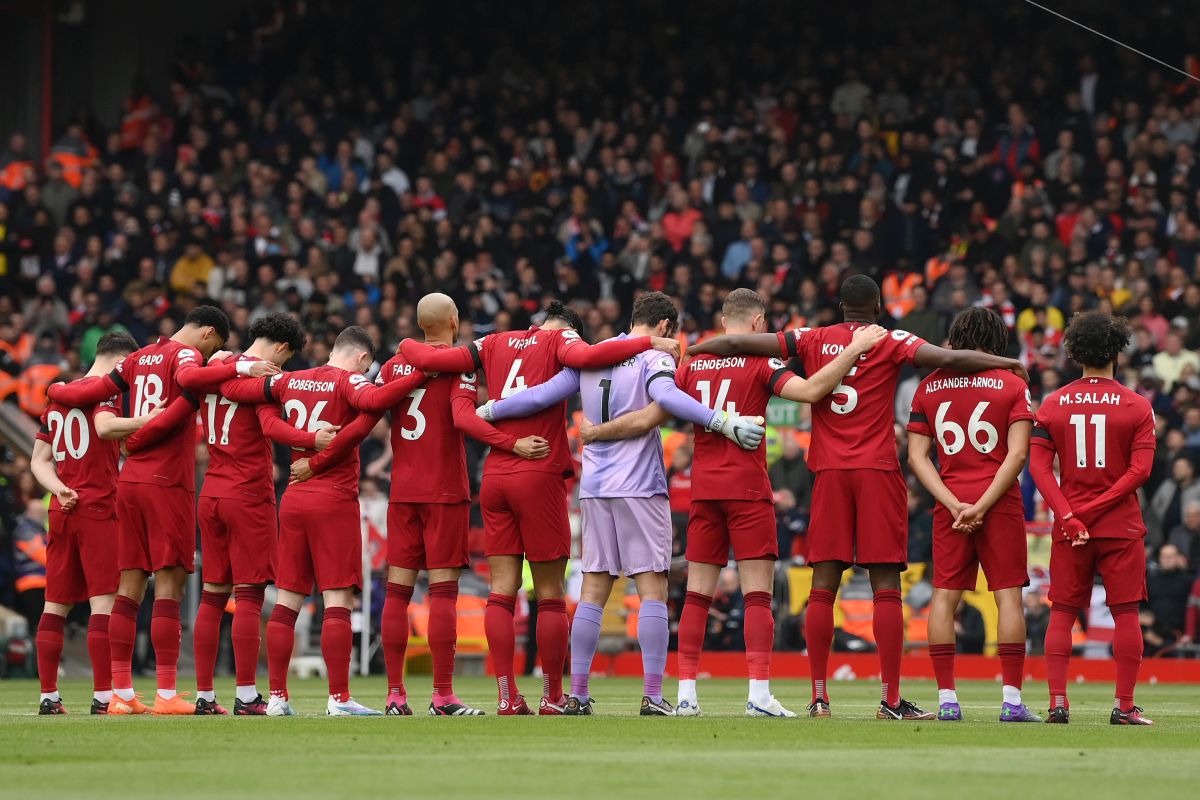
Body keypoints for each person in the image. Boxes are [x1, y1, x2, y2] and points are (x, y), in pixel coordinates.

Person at [687, 275, 1027, 720]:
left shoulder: (811, 337)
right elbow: (948, 357)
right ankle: (889, 700)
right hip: (877, 471)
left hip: (828, 471)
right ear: (879, 307)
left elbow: (734, 345)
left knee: (822, 586)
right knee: (885, 584)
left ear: (840, 305)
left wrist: (690, 351)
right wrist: (1006, 362)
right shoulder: (890, 339)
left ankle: (819, 696)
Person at [476, 291, 767, 715]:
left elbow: (542, 394)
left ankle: (576, 694)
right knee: (652, 587)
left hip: (594, 487)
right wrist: (722, 420)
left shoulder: (592, 353)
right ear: (666, 328)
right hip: (640, 484)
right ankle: (652, 695)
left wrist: (493, 408)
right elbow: (665, 399)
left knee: (594, 588)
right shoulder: (655, 356)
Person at [596, 288, 885, 716]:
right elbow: (810, 391)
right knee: (757, 597)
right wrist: (856, 349)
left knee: (696, 596)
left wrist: (596, 434)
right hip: (748, 489)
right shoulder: (760, 362)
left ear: (722, 318)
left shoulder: (694, 365)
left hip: (704, 490)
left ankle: (687, 697)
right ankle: (758, 695)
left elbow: (648, 417)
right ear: (756, 323)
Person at [399, 299, 680, 715]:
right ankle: (552, 696)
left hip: (494, 477)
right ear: (569, 328)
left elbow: (427, 355)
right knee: (549, 595)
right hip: (540, 469)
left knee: (501, 593)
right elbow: (587, 356)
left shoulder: (492, 341)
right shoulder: (562, 339)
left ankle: (507, 697)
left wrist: (406, 343)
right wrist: (649, 342)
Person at [293, 293, 548, 716]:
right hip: (444, 492)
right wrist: (512, 443)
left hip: (402, 493)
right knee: (442, 593)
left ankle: (395, 696)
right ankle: (443, 696)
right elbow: (464, 419)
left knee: (398, 592)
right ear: (453, 320)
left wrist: (316, 460)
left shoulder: (393, 367)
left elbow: (363, 423)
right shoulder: (460, 367)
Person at [46, 306, 280, 715]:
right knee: (170, 588)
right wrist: (238, 370)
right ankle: (168, 694)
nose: (212, 355)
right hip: (167, 484)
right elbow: (191, 379)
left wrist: (55, 391)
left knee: (128, 590)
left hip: (129, 482)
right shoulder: (184, 355)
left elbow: (90, 394)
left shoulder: (137, 358)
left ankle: (119, 694)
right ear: (208, 333)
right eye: (215, 347)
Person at [124, 313, 317, 715]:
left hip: (211, 492)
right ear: (281, 348)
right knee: (248, 597)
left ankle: (205, 695)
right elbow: (272, 423)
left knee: (212, 597)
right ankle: (247, 695)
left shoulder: (213, 368)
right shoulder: (260, 379)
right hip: (248, 494)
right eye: (286, 358)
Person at [259, 325, 428, 717]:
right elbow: (378, 399)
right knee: (337, 599)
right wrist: (420, 372)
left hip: (294, 499)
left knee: (287, 600)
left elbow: (266, 420)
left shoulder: (291, 379)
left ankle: (277, 698)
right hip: (333, 500)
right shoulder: (351, 381)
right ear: (362, 359)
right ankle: (338, 699)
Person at [906, 307, 1041, 722]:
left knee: (945, 599)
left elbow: (916, 457)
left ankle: (947, 701)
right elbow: (1018, 453)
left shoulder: (928, 385)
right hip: (997, 501)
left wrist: (952, 504)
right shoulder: (1011, 384)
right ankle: (1012, 702)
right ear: (996, 340)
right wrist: (982, 506)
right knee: (1008, 598)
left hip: (951, 501)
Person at [1029, 312, 1157, 725]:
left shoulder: (1053, 404)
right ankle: (1123, 706)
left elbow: (1038, 468)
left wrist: (1069, 514)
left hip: (1070, 527)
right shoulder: (1138, 405)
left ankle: (1057, 703)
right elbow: (1140, 472)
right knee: (1125, 614)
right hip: (1120, 526)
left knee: (1063, 612)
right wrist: (1096, 509)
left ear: (1073, 351)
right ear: (1118, 350)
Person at [29, 332, 157, 714]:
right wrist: (146, 420)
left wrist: (60, 489)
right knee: (104, 604)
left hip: (63, 510)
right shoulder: (104, 395)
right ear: (121, 362)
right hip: (99, 507)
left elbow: (39, 460)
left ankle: (49, 698)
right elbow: (104, 428)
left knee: (55, 605)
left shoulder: (58, 398)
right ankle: (104, 697)